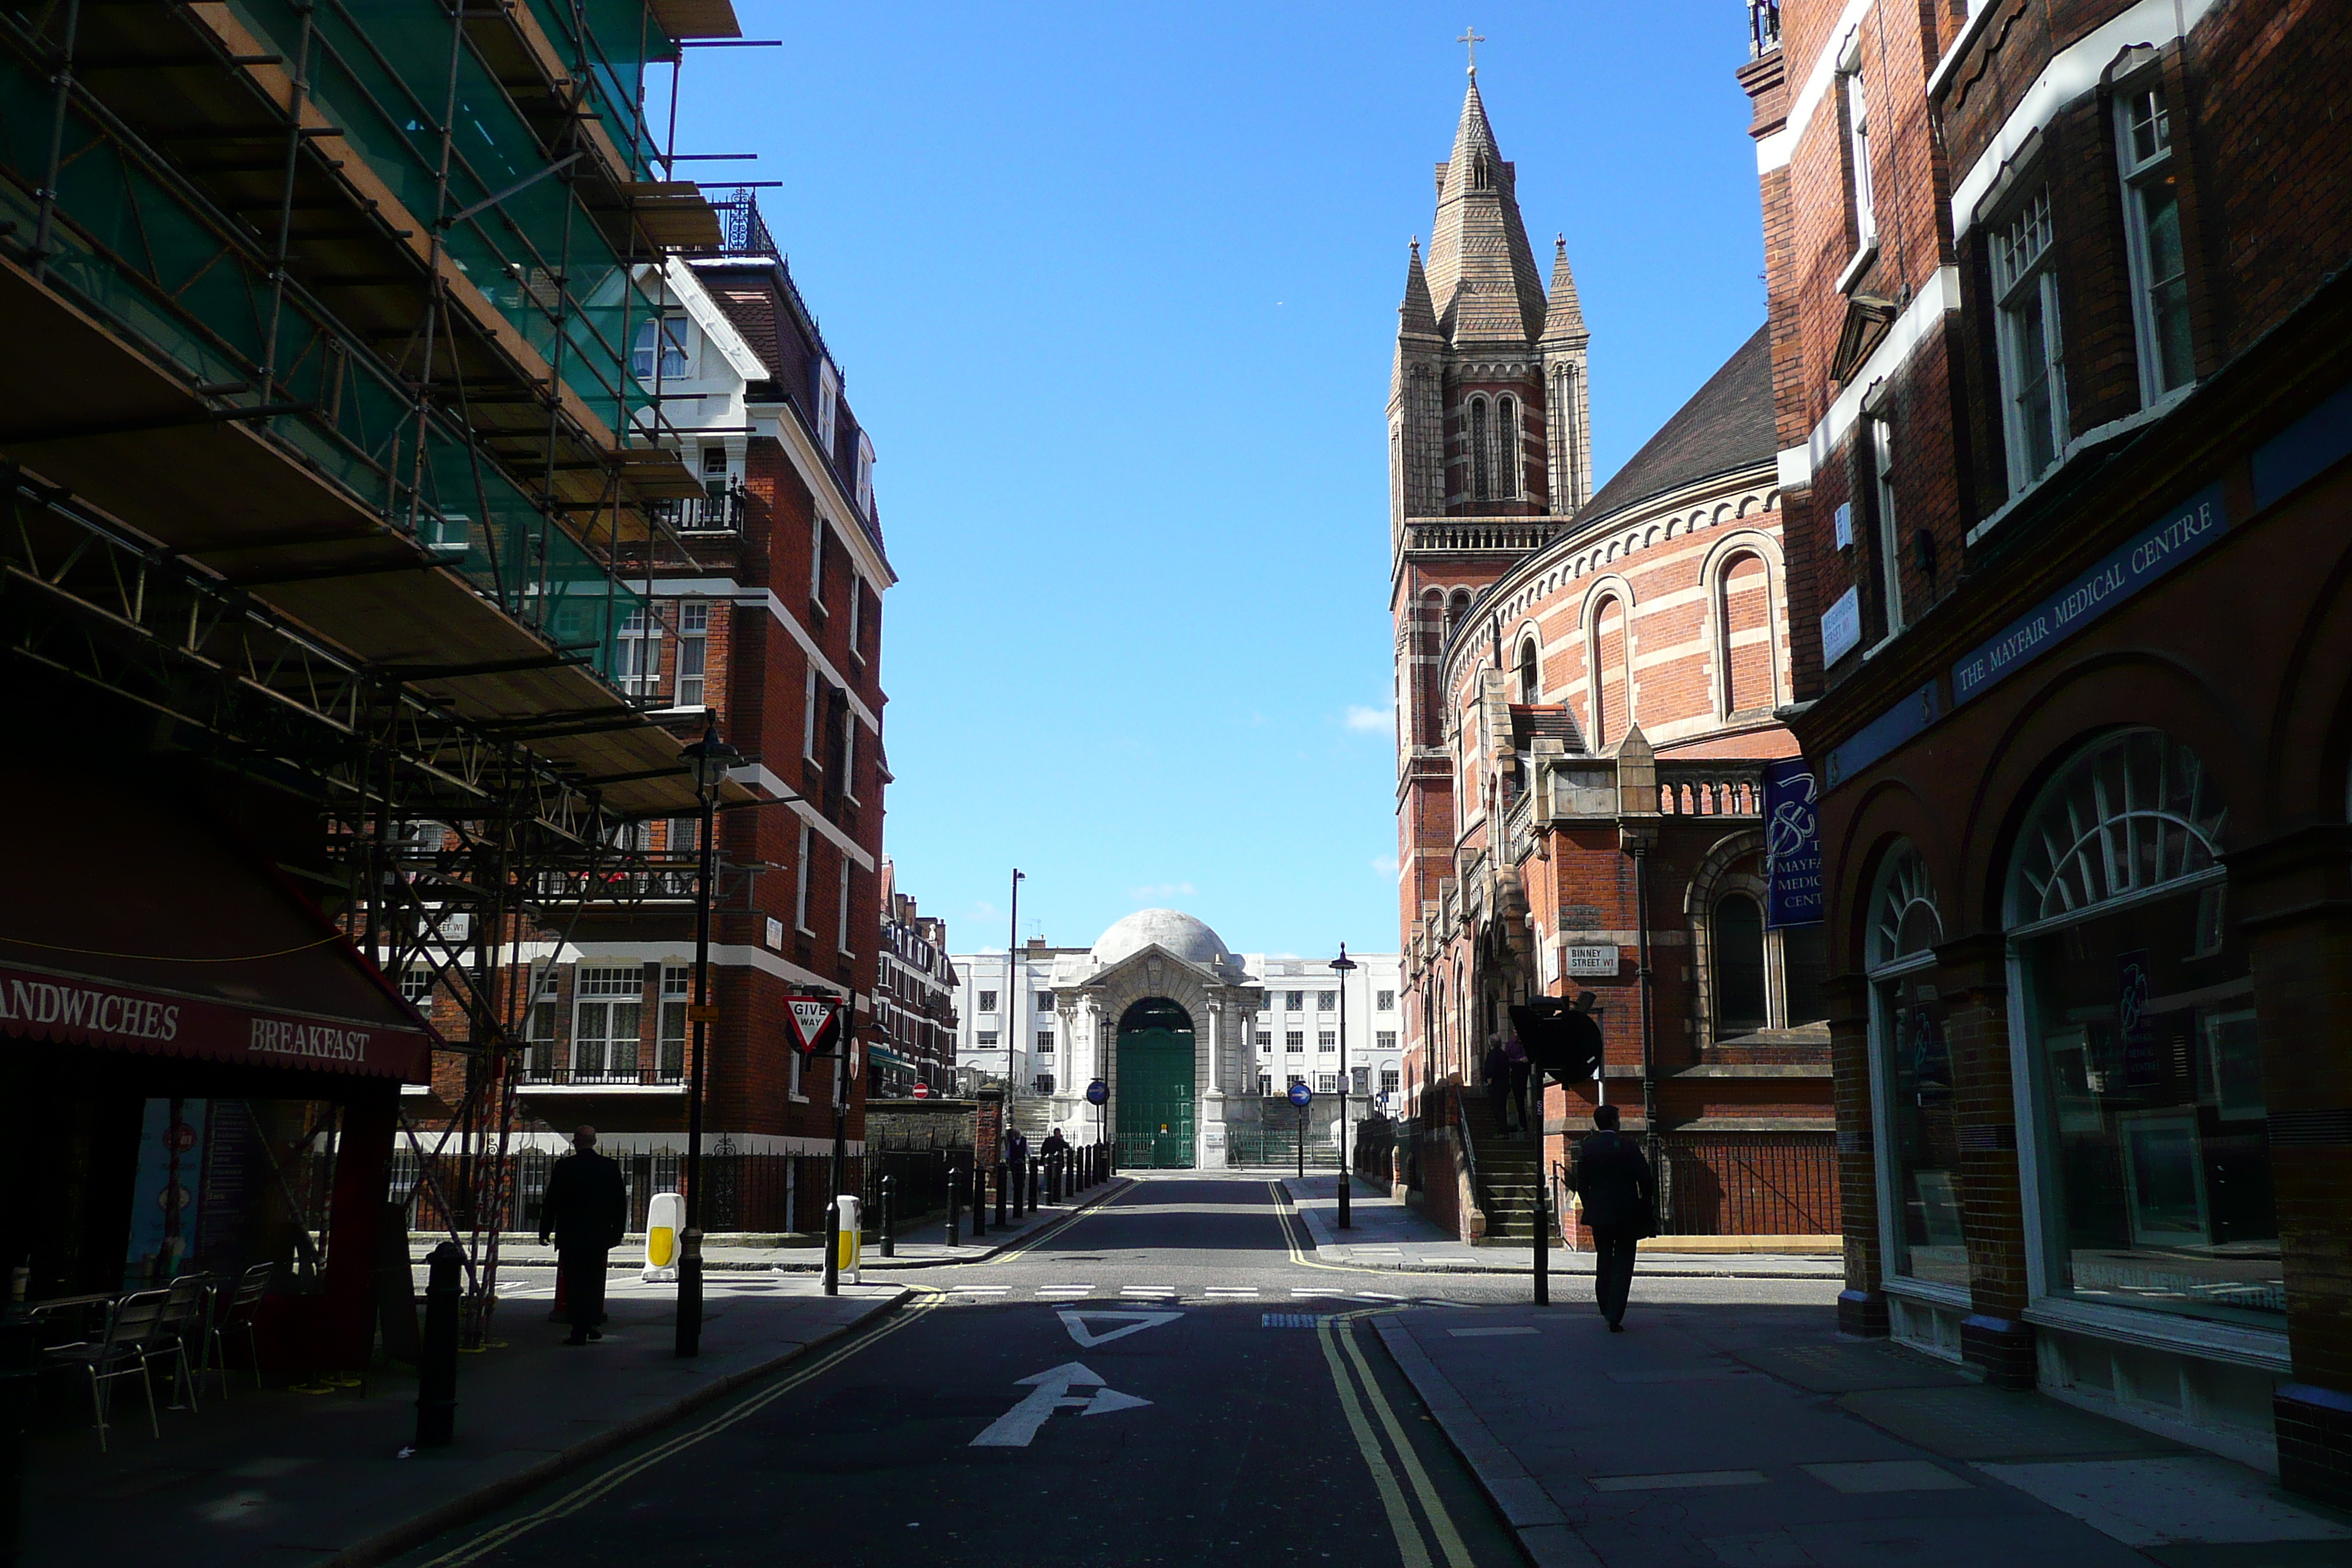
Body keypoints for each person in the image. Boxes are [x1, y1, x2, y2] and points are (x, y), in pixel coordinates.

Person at [539, 1126, 628, 1346]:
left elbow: (552, 1201)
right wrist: (617, 1232)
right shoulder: (609, 1167)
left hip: (571, 1234)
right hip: (599, 1235)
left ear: (575, 1142)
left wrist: (545, 1230)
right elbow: (620, 1203)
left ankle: (579, 1329)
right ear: (594, 1142)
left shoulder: (565, 1167)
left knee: (574, 1283)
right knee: (594, 1282)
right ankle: (592, 1323)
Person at [1571, 1104, 1656, 1333]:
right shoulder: (1627, 1147)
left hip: (1600, 1215)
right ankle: (1614, 1314)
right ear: (1614, 1122)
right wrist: (1643, 1205)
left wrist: (1592, 1206)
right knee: (1624, 1263)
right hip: (1627, 1214)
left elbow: (1581, 1184)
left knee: (1605, 1259)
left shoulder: (1588, 1148)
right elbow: (1646, 1180)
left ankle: (1604, 1304)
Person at [1504, 1034, 1533, 1136]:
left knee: (1531, 1097)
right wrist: (1519, 1060)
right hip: (1516, 1072)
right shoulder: (1511, 1044)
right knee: (1519, 1099)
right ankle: (1523, 1124)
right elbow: (1507, 1060)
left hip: (1528, 1070)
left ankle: (1531, 1121)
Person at [1482, 1040, 1510, 1131]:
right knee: (1503, 1108)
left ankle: (1501, 1129)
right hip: (1505, 1085)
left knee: (1496, 1109)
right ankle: (1504, 1129)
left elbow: (1490, 1070)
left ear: (1491, 1044)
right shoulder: (1504, 1055)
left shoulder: (1492, 1055)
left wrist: (1489, 1081)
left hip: (1496, 1086)